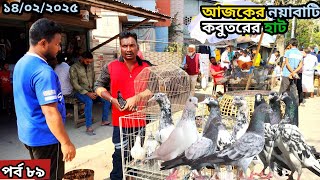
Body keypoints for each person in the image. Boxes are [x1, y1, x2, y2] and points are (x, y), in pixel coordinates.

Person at [13, 18, 76, 180]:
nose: (59, 48)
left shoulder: (21, 63)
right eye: (57, 44)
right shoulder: (43, 72)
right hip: (45, 138)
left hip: (29, 134)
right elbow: (50, 112)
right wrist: (66, 143)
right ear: (43, 43)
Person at [94, 31, 153, 180]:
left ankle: (132, 177)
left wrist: (137, 97)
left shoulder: (147, 66)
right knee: (120, 154)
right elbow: (98, 86)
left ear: (137, 46)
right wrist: (112, 99)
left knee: (136, 154)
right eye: (124, 46)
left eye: (132, 45)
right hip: (119, 121)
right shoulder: (111, 66)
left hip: (140, 120)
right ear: (120, 47)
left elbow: (153, 88)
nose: (128, 49)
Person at [69, 51, 111, 135]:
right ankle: (89, 127)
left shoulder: (90, 67)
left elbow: (94, 80)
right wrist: (87, 93)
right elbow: (75, 84)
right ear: (82, 59)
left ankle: (104, 120)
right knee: (89, 101)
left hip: (91, 91)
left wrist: (95, 90)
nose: (89, 63)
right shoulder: (73, 68)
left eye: (90, 62)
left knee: (106, 99)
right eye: (87, 61)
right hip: (78, 92)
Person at [279, 38, 303, 105]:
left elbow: (287, 63)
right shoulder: (300, 53)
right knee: (293, 89)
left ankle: (280, 103)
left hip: (287, 73)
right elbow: (300, 65)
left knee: (283, 89)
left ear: (290, 44)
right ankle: (295, 104)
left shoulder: (288, 52)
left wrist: (291, 72)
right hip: (295, 74)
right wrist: (294, 72)